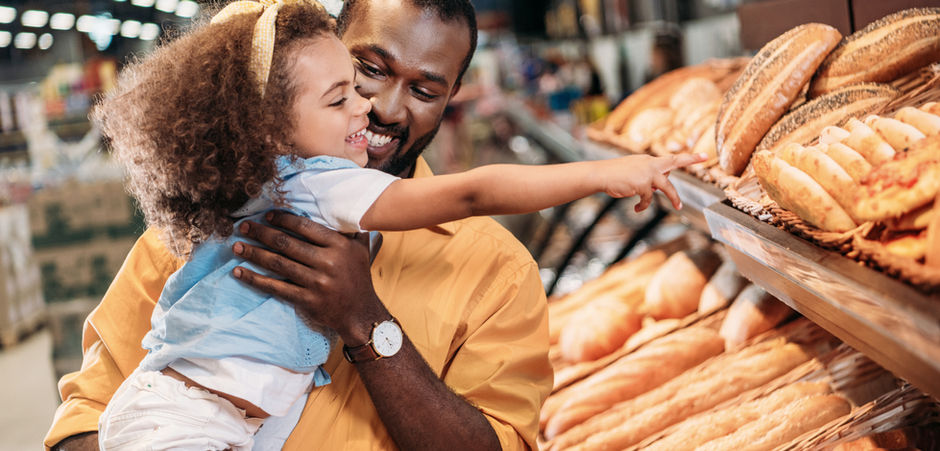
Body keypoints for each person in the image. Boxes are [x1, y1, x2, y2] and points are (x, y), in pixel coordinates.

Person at [45, 1, 700, 449]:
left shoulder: (497, 273)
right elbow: (87, 414)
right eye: (367, 71)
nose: (382, 108)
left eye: (424, 88)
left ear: (452, 100)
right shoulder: (206, 217)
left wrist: (364, 319)